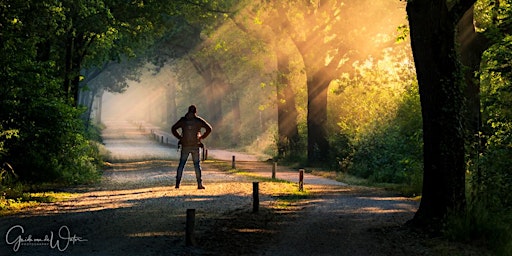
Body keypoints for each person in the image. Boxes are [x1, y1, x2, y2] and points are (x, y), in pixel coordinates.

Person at [171, 105, 212, 189]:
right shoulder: (198, 121)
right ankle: (199, 184)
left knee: (181, 164)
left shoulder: (183, 120)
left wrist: (180, 138)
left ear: (188, 111)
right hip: (195, 145)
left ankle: (177, 184)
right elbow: (209, 128)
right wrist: (201, 137)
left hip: (185, 145)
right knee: (197, 165)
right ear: (195, 112)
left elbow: (173, 128)